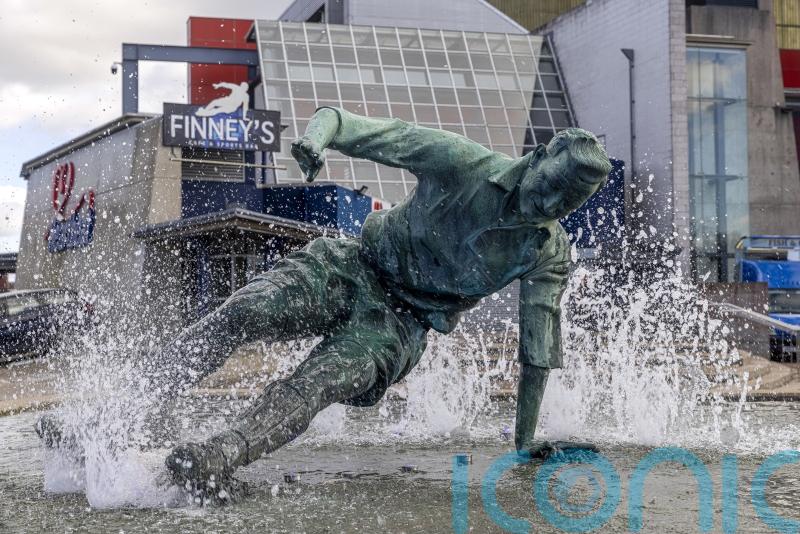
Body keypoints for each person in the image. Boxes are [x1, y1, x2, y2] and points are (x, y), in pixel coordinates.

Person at [40, 107, 611, 492]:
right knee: (243, 312)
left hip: (400, 325)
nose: (548, 206)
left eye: (565, 204)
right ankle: (108, 419)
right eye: (549, 186)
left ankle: (218, 458)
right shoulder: (462, 163)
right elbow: (343, 122)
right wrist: (313, 140)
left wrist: (525, 442)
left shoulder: (546, 253)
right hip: (351, 265)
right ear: (540, 158)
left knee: (320, 382)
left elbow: (537, 353)